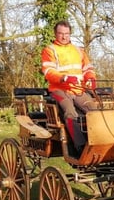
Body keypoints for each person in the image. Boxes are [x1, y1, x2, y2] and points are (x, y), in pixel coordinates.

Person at [40, 20, 98, 152]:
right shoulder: (50, 50)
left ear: (70, 34)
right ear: (55, 34)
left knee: (95, 111)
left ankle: (98, 143)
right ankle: (80, 147)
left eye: (67, 33)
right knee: (70, 112)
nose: (64, 36)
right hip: (59, 90)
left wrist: (90, 78)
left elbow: (88, 68)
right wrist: (64, 78)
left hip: (78, 90)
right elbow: (49, 72)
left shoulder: (79, 51)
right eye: (61, 33)